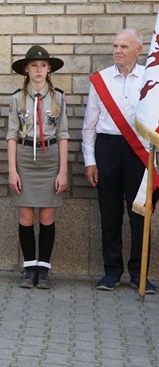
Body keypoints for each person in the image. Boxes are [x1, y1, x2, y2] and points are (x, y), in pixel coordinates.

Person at [82, 29, 157, 293]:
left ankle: (139, 273)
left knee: (140, 214)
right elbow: (89, 125)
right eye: (115, 45)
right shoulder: (101, 80)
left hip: (139, 152)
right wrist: (90, 161)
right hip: (108, 148)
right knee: (109, 212)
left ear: (138, 50)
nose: (117, 50)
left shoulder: (151, 80)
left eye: (124, 46)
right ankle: (111, 271)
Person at [6, 46, 69, 290]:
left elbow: (63, 135)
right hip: (25, 159)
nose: (39, 69)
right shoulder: (17, 98)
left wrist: (62, 171)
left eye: (43, 65)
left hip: (50, 158)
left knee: (47, 216)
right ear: (26, 69)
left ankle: (43, 269)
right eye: (34, 65)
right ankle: (29, 267)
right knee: (26, 216)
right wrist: (13, 171)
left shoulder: (58, 98)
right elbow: (11, 136)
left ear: (49, 68)